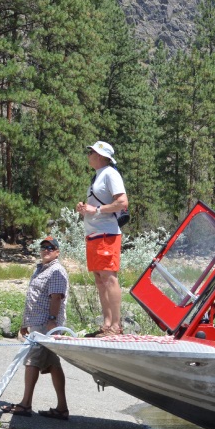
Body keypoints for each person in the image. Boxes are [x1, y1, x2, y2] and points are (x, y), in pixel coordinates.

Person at [1, 237, 70, 420]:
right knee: (53, 365)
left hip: (46, 325)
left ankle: (25, 404)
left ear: (57, 251)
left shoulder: (56, 271)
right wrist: (25, 322)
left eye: (50, 247)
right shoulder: (41, 269)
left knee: (32, 362)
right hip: (38, 323)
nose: (46, 250)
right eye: (43, 247)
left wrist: (52, 321)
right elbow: (34, 298)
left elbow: (56, 298)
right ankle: (62, 409)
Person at [75, 141, 128, 337]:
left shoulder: (110, 174)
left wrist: (95, 209)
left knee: (109, 277)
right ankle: (107, 324)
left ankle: (116, 325)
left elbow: (122, 202)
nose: (89, 154)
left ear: (100, 155)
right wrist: (86, 209)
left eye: (91, 152)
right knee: (99, 279)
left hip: (106, 234)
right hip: (94, 233)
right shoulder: (98, 175)